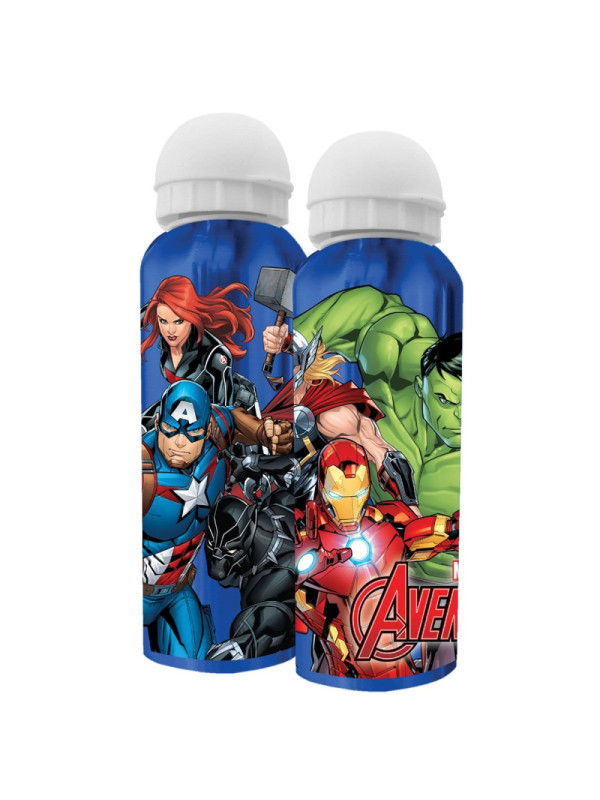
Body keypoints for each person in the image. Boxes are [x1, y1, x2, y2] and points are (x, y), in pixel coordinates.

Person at [142, 380, 292, 659]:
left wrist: (262, 433)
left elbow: (232, 418)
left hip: (177, 592)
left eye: (192, 433)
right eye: (170, 429)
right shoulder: (144, 469)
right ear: (159, 421)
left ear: (206, 428)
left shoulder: (213, 434)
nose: (179, 442)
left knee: (204, 661)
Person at [295, 439, 459, 680]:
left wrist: (453, 527)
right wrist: (306, 564)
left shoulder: (387, 520)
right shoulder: (305, 534)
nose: (349, 505)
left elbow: (433, 531)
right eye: (338, 494)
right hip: (344, 667)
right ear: (322, 487)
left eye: (359, 493)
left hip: (397, 658)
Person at [261, 325, 418, 511]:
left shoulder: (333, 413)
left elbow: (384, 454)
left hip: (327, 512)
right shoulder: (281, 404)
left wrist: (411, 510)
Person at [141, 275, 258, 430]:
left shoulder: (215, 354)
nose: (170, 330)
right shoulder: (167, 337)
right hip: (187, 403)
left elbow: (223, 413)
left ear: (190, 317)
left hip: (235, 411)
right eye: (163, 321)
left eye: (178, 321)